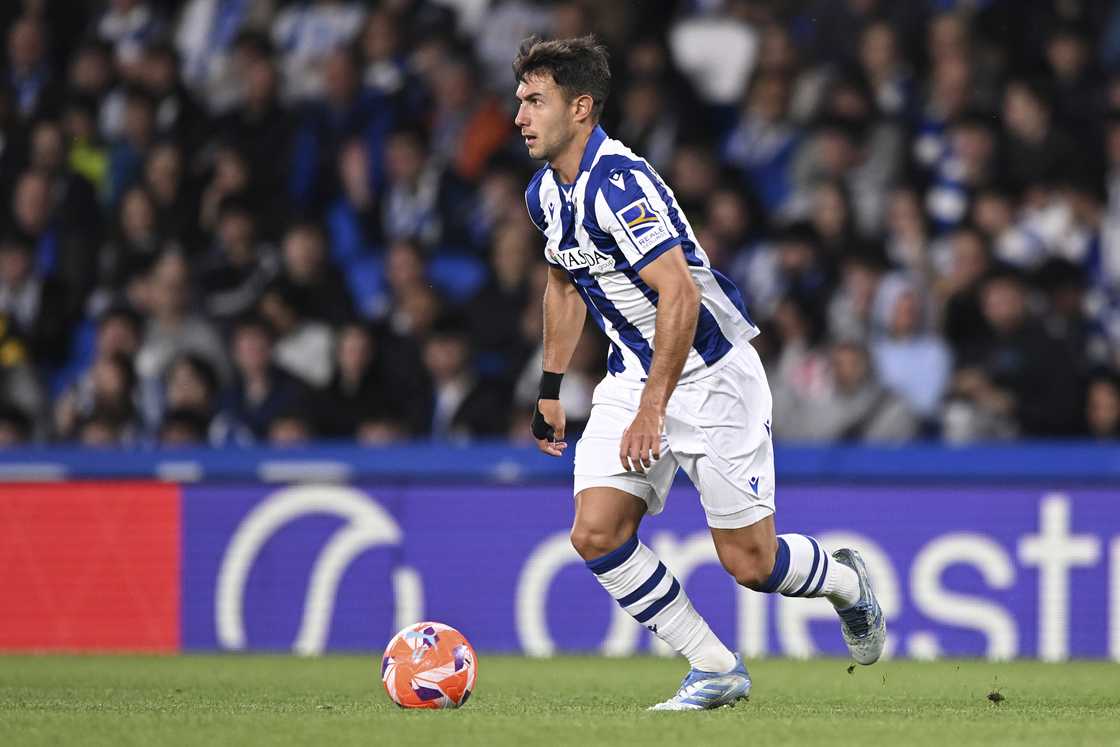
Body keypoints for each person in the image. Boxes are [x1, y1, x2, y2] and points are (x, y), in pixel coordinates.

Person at [513, 36, 885, 711]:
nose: (520, 116)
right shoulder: (545, 195)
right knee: (595, 530)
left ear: (582, 108)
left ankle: (845, 583)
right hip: (634, 374)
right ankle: (714, 666)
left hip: (712, 374)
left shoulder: (617, 185)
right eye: (520, 101)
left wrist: (653, 409)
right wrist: (550, 388)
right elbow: (563, 286)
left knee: (751, 563)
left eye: (535, 101)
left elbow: (679, 293)